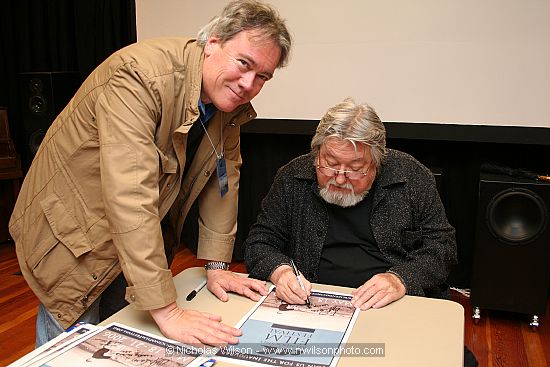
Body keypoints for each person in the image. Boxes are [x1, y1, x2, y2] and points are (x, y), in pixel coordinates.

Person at [9, 0, 291, 347]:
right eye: (244, 63)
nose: (249, 83)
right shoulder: (138, 75)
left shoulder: (226, 103)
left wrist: (217, 265)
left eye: (262, 76)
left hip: (130, 235)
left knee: (120, 339)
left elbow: (223, 181)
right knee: (72, 347)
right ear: (214, 42)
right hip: (73, 234)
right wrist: (167, 310)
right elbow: (131, 193)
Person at [244, 98, 457, 310]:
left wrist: (401, 279)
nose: (339, 179)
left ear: (377, 163)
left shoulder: (411, 176)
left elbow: (443, 248)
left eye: (355, 168)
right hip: (310, 302)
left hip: (391, 303)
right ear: (317, 152)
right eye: (330, 164)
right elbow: (260, 241)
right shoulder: (293, 176)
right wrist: (280, 271)